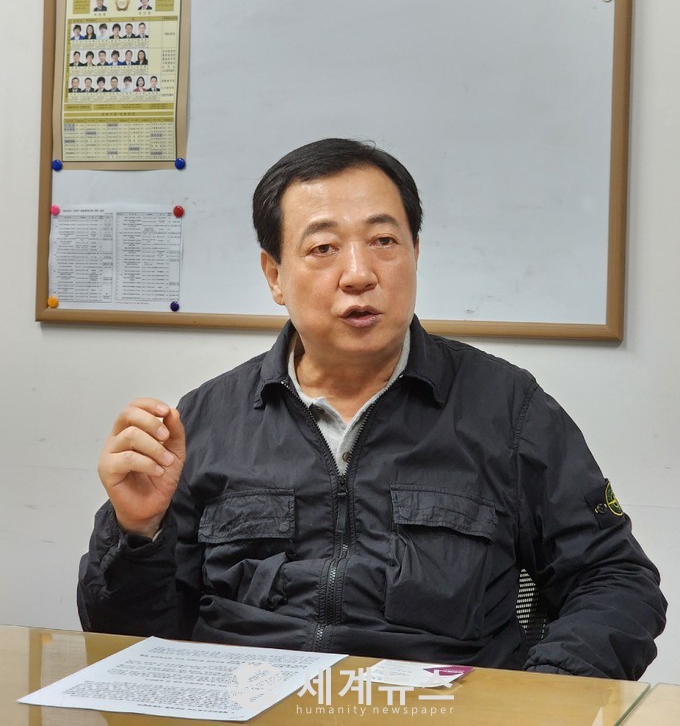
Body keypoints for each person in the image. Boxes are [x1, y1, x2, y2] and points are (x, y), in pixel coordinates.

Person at [78, 138, 666, 681]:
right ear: (275, 275)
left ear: (415, 253)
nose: (359, 275)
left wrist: (540, 699)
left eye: (384, 241)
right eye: (323, 248)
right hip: (245, 703)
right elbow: (124, 635)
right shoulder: (208, 417)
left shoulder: (508, 408)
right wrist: (137, 532)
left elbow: (616, 581)